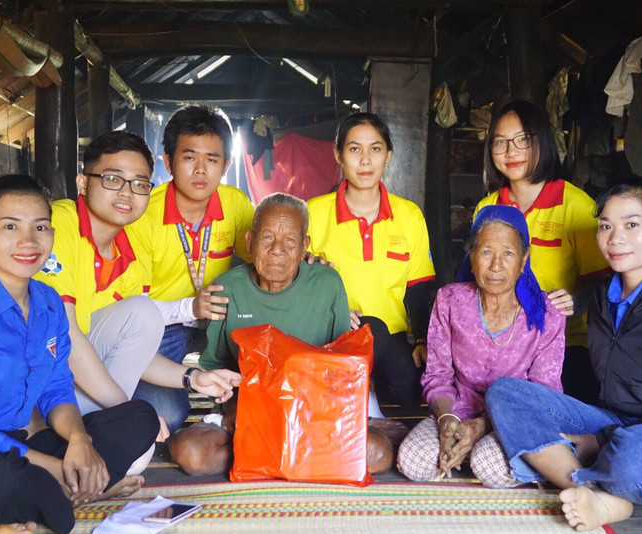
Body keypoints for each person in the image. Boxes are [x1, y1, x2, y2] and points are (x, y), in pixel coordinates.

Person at [0, 175, 160, 534]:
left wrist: (81, 442)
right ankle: (73, 490)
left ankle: (62, 489)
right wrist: (53, 465)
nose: (28, 241)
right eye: (10, 227)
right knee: (4, 479)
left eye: (40, 227)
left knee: (139, 417)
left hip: (18, 445)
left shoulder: (49, 302)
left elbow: (56, 390)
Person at [485, 178, 642, 531]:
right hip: (614, 422)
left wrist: (602, 441)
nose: (615, 237)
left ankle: (585, 471)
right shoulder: (602, 293)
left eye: (631, 225)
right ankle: (590, 490)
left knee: (635, 458)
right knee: (505, 393)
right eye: (606, 226)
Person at [33, 131, 241, 441]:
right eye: (113, 179)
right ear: (82, 183)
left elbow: (133, 346)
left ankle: (78, 443)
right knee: (145, 318)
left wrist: (194, 377)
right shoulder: (60, 223)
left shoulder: (129, 255)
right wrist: (127, 410)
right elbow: (66, 337)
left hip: (79, 372)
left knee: (137, 455)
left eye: (139, 184)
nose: (127, 193)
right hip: (36, 377)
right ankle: (44, 437)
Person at [168, 193, 395, 476]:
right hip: (250, 412)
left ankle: (270, 456)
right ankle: (295, 457)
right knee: (191, 453)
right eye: (267, 238)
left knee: (378, 455)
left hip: (313, 412)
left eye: (290, 240)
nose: (277, 249)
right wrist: (234, 410)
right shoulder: (227, 288)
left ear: (304, 247)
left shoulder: (327, 283)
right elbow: (216, 367)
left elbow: (341, 366)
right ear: (250, 242)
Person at [397, 205, 565, 485]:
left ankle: (475, 453)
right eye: (486, 252)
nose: (496, 265)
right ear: (471, 257)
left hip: (515, 418)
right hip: (457, 409)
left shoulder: (548, 313)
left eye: (508, 253)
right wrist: (445, 420)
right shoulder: (449, 300)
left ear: (524, 259)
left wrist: (481, 426)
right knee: (413, 461)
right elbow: (437, 376)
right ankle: (461, 449)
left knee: (489, 466)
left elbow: (541, 394)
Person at [460, 100, 608, 403]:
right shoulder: (487, 209)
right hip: (497, 342)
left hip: (565, 344)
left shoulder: (576, 206)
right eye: (500, 142)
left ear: (542, 142)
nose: (511, 152)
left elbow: (604, 283)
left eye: (523, 140)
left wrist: (576, 301)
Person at [127, 105, 254, 431]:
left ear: (226, 165)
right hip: (163, 325)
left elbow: (266, 258)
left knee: (253, 407)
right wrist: (190, 307)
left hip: (223, 321)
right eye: (189, 157)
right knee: (167, 416)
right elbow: (129, 308)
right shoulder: (143, 215)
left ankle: (232, 405)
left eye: (212, 160)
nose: (201, 170)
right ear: (168, 162)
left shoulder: (235, 203)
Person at [307, 113, 436, 416]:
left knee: (409, 387)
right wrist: (334, 312)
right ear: (338, 154)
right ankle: (362, 408)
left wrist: (421, 340)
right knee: (369, 329)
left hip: (391, 339)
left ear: (388, 154)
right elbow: (296, 283)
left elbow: (421, 287)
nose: (365, 160)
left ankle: (368, 404)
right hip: (330, 334)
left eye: (375, 149)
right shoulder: (313, 213)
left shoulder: (409, 216)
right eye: (354, 149)